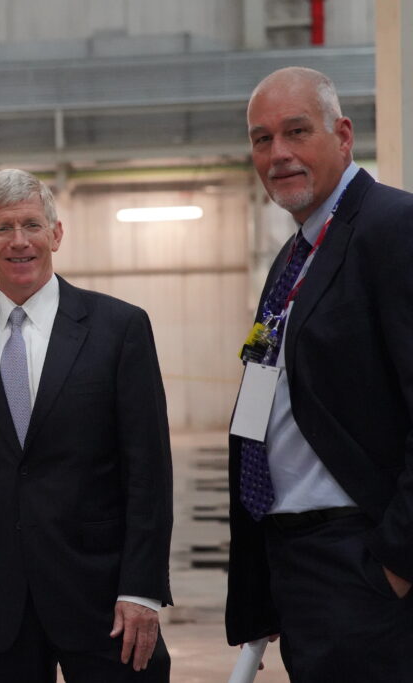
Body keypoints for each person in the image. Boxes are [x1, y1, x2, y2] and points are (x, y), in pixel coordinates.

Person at [0, 169, 173, 682]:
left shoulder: (119, 328)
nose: (19, 241)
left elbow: (149, 470)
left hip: (103, 600)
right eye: (3, 229)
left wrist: (141, 588)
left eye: (32, 224)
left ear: (56, 233)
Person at [226, 66, 413, 682]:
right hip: (301, 561)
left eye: (296, 132)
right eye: (261, 139)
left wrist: (394, 561)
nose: (277, 154)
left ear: (343, 135)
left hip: (362, 559)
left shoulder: (392, 228)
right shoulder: (298, 253)